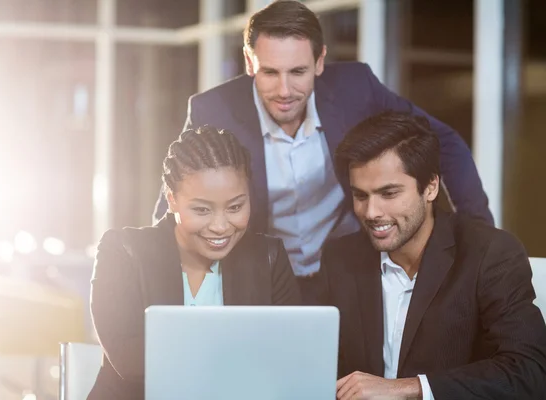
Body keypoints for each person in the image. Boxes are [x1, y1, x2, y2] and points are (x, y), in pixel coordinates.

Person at [152, 0, 493, 303]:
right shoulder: (213, 110)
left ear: (319, 61)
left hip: (345, 270)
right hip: (261, 275)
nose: (284, 90)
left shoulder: (355, 88)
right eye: (270, 72)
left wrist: (479, 236)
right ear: (249, 62)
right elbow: (175, 198)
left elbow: (443, 142)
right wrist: (159, 276)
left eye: (298, 72)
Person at [321, 111, 546, 400]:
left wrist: (409, 388)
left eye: (388, 194)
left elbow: (530, 372)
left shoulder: (489, 253)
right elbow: (319, 364)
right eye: (361, 195)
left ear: (430, 187)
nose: (371, 212)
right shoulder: (340, 258)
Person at [88, 126, 301, 400]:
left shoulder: (268, 257)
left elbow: (289, 357)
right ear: (172, 200)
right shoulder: (123, 252)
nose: (221, 227)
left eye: (235, 207)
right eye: (202, 210)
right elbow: (129, 359)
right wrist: (243, 352)